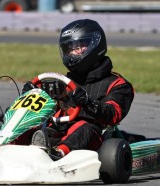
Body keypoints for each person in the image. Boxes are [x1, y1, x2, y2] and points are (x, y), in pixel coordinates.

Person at [23, 19, 135, 159]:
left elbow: (113, 114)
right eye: (68, 49)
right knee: (31, 123)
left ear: (95, 44)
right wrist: (32, 94)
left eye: (77, 47)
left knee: (84, 126)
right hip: (57, 132)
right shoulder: (63, 82)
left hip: (94, 139)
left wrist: (88, 103)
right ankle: (4, 143)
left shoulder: (118, 84)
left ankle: (58, 154)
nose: (72, 53)